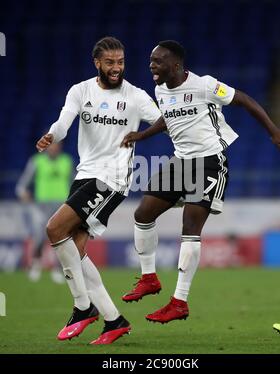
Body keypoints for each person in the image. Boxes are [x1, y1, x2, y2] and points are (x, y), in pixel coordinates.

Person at [120, 40, 280, 324]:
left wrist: (273, 130)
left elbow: (244, 99)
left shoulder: (205, 85)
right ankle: (149, 278)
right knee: (143, 214)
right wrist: (142, 134)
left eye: (158, 61)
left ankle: (179, 302)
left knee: (190, 228)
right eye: (151, 60)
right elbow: (169, 117)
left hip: (209, 161)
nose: (152, 65)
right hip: (180, 161)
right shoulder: (161, 89)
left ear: (175, 64)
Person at [36, 36, 163, 344]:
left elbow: (165, 120)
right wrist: (53, 135)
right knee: (75, 249)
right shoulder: (80, 91)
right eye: (110, 63)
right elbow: (65, 121)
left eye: (120, 62)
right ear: (97, 63)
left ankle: (82, 307)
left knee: (54, 229)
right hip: (85, 175)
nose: (116, 68)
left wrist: (141, 134)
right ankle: (113, 320)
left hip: (113, 178)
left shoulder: (134, 95)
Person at [16, 142, 73, 283]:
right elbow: (22, 185)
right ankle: (36, 266)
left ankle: (57, 270)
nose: (54, 147)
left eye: (57, 144)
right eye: (52, 144)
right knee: (40, 236)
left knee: (61, 239)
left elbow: (75, 182)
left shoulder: (67, 161)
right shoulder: (37, 161)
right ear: (47, 146)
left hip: (61, 206)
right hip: (40, 206)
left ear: (60, 146)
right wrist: (23, 192)